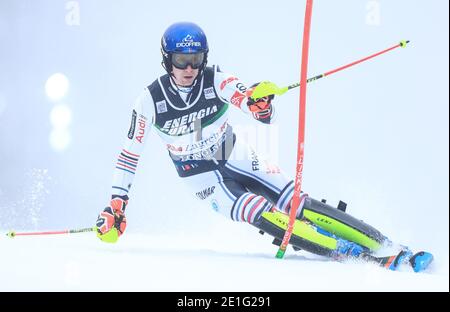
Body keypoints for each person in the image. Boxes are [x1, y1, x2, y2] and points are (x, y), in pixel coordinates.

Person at [95, 22, 427, 268]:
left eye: (196, 59)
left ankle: (387, 244)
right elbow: (129, 155)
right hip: (198, 176)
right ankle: (354, 255)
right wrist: (117, 203)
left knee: (297, 202)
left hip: (231, 153)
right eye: (181, 60)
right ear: (167, 60)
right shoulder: (149, 101)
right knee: (256, 210)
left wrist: (258, 103)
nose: (189, 69)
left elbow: (245, 97)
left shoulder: (214, 78)